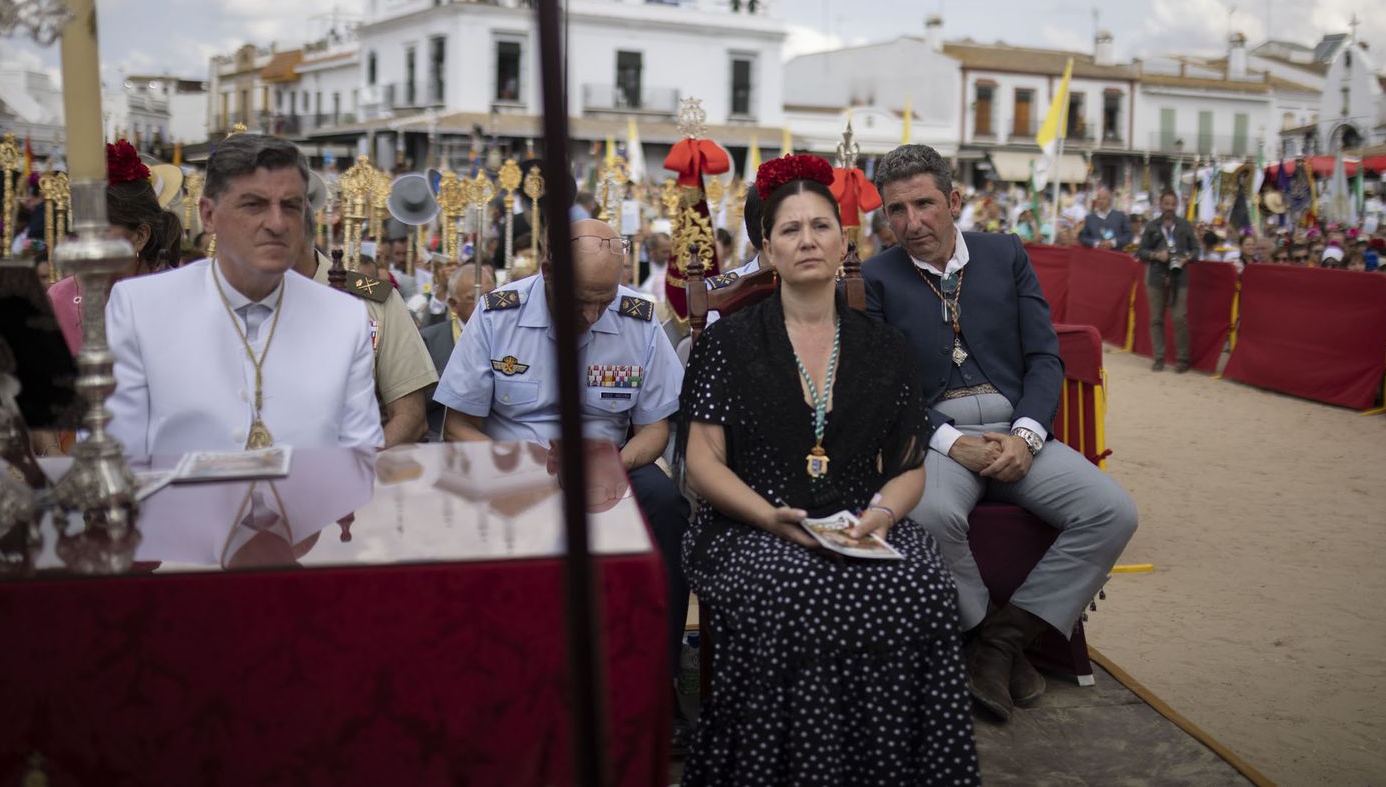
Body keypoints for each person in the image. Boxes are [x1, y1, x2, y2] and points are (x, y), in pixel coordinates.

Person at [679, 154, 978, 783]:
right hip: (749, 525)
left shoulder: (883, 345)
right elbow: (703, 463)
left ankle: (892, 767)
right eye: (790, 230)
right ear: (767, 248)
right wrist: (768, 516)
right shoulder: (726, 343)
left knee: (925, 588)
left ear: (845, 240)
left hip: (859, 519)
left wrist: (880, 516)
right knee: (800, 589)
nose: (807, 240)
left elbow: (908, 465)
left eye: (821, 226)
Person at [862, 143, 1137, 722]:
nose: (912, 223)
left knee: (1113, 512)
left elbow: (1044, 357)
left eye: (925, 205)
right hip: (935, 437)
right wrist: (949, 441)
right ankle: (986, 632)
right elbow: (883, 387)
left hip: (1018, 433)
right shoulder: (874, 277)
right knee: (931, 515)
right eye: (897, 211)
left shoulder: (1006, 253)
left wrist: (1028, 435)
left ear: (954, 201)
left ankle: (1002, 642)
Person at [434, 217, 691, 746]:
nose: (593, 315)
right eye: (581, 301)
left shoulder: (637, 319)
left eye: (604, 298)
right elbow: (458, 426)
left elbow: (656, 427)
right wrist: (522, 467)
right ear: (548, 272)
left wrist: (615, 465)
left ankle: (656, 679)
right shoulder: (497, 314)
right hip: (514, 466)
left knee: (665, 505)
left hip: (608, 464)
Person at [107, 134, 381, 457]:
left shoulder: (344, 318)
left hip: (307, 507)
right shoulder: (140, 308)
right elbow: (118, 458)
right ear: (208, 215)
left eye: (291, 206)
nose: (277, 224)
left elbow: (359, 458)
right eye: (254, 205)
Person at [293, 203, 439, 448]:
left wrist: (355, 467)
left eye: (289, 205)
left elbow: (411, 417)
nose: (273, 223)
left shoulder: (375, 301)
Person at [47, 139, 184, 355]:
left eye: (100, 230)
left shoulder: (181, 297)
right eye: (81, 229)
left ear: (140, 235)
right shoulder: (59, 298)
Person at [419, 262, 495, 436]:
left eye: (490, 295)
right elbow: (417, 401)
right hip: (439, 438)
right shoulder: (429, 339)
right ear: (453, 304)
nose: (485, 304)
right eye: (473, 298)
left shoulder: (509, 336)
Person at [1136, 190, 1198, 372]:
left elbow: (1196, 250)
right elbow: (1141, 252)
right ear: (1160, 205)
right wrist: (1156, 255)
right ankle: (1159, 357)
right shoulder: (1152, 226)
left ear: (1176, 206)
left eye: (1172, 204)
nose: (1169, 207)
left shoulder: (1185, 225)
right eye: (1166, 204)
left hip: (1179, 277)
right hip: (1156, 277)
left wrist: (1185, 259)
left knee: (1180, 318)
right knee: (1156, 319)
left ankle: (1182, 359)